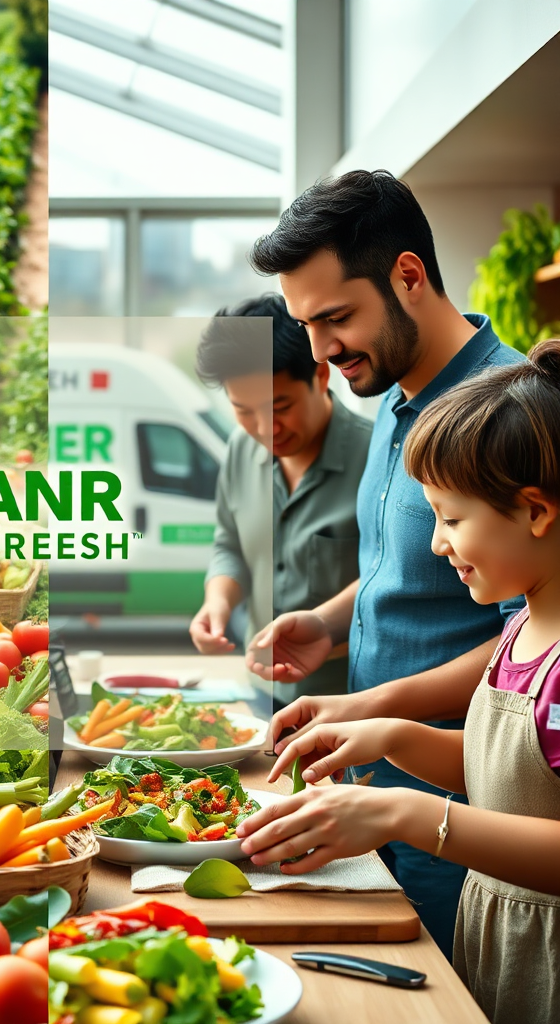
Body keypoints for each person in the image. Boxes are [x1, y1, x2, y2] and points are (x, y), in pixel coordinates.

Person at [242, 169, 524, 952]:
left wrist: (375, 709)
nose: (323, 353)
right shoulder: (399, 402)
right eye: (307, 327)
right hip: (374, 787)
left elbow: (525, 638)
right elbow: (416, 564)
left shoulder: (499, 414)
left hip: (461, 808)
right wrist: (329, 624)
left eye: (336, 318)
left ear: (408, 275)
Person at [238, 342, 560, 1024]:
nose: (439, 545)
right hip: (501, 949)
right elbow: (508, 776)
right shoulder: (518, 632)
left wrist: (409, 814)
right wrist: (389, 738)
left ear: (535, 511)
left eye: (451, 519)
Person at [189, 294, 372, 704]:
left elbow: (391, 576)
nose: (263, 428)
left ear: (322, 376)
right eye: (243, 411)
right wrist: (217, 601)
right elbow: (230, 543)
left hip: (346, 700)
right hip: (261, 691)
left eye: (279, 407)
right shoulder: (239, 449)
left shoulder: (378, 459)